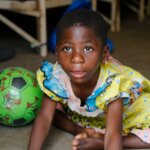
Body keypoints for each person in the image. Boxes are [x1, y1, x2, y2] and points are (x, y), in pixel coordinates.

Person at [28, 8, 150, 150]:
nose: (76, 58)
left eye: (88, 49)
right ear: (56, 51)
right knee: (46, 110)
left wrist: (106, 142)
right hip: (97, 117)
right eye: (67, 49)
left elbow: (113, 134)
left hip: (132, 113)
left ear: (104, 53)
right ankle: (82, 130)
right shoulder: (56, 76)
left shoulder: (113, 85)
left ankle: (100, 141)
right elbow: (44, 118)